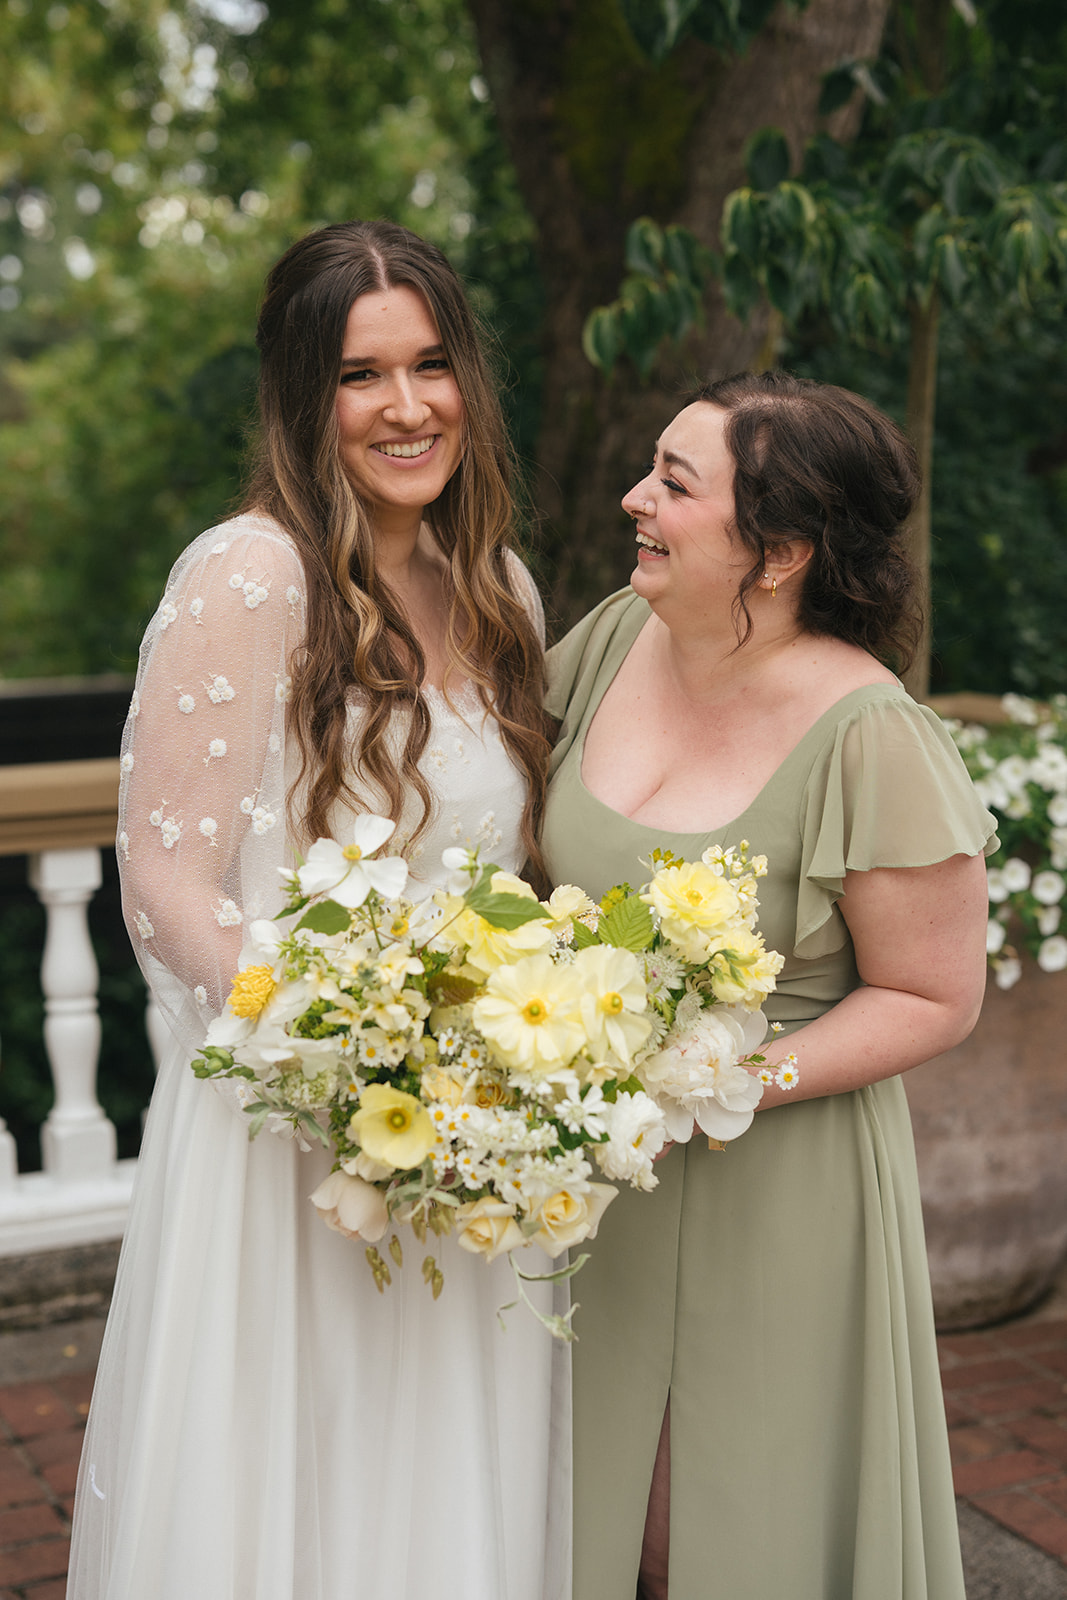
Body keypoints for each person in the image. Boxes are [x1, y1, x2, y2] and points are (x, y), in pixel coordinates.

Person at [68, 220, 570, 1600]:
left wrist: (499, 1070)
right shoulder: (247, 574)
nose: (405, 408)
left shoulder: (500, 589)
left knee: (445, 1485)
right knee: (299, 1493)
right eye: (360, 376)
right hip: (292, 1140)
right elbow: (164, 886)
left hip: (471, 1148)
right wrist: (344, 1065)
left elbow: (508, 884)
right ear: (304, 398)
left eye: (428, 365)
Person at [542, 370, 996, 1600]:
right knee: (582, 1513)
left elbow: (932, 995)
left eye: (674, 484)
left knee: (725, 1532)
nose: (635, 497)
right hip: (588, 1178)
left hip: (776, 1183)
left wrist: (712, 1084)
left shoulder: (868, 732)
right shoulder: (606, 640)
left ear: (780, 548)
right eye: (650, 466)